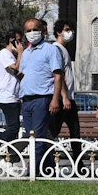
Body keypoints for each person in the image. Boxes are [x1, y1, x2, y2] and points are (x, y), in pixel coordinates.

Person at [18, 17, 63, 175]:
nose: (32, 33)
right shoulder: (26, 53)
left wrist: (55, 99)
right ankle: (48, 168)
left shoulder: (50, 50)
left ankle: (32, 170)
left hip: (42, 98)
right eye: (28, 31)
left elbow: (57, 76)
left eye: (35, 30)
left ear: (43, 31)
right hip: (27, 99)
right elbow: (22, 73)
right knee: (31, 136)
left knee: (37, 135)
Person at [49, 20, 80, 164]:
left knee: (75, 133)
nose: (70, 33)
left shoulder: (64, 49)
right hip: (63, 99)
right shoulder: (56, 49)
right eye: (67, 30)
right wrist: (64, 96)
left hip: (69, 98)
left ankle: (79, 164)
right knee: (53, 131)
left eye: (70, 30)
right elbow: (58, 75)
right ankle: (44, 161)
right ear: (58, 32)